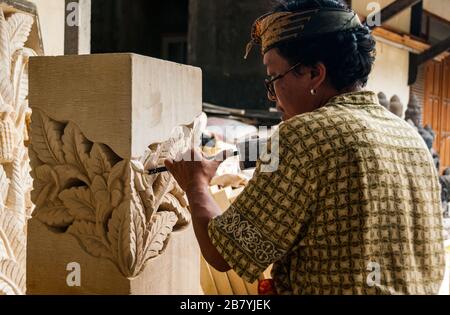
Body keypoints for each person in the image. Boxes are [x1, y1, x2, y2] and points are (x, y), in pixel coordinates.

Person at [164, 0, 445, 295]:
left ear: (314, 74)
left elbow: (224, 252)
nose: (273, 98)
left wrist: (196, 183)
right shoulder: (410, 137)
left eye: (274, 78)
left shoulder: (305, 136)